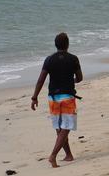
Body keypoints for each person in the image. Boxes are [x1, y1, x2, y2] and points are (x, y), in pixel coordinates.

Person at [30, 32, 83, 168]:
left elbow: (41, 80)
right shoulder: (73, 59)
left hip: (53, 97)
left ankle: (68, 155)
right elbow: (80, 78)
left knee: (59, 128)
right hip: (67, 97)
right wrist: (72, 80)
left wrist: (34, 97)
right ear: (67, 44)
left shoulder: (49, 59)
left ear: (55, 45)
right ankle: (53, 155)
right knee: (67, 127)